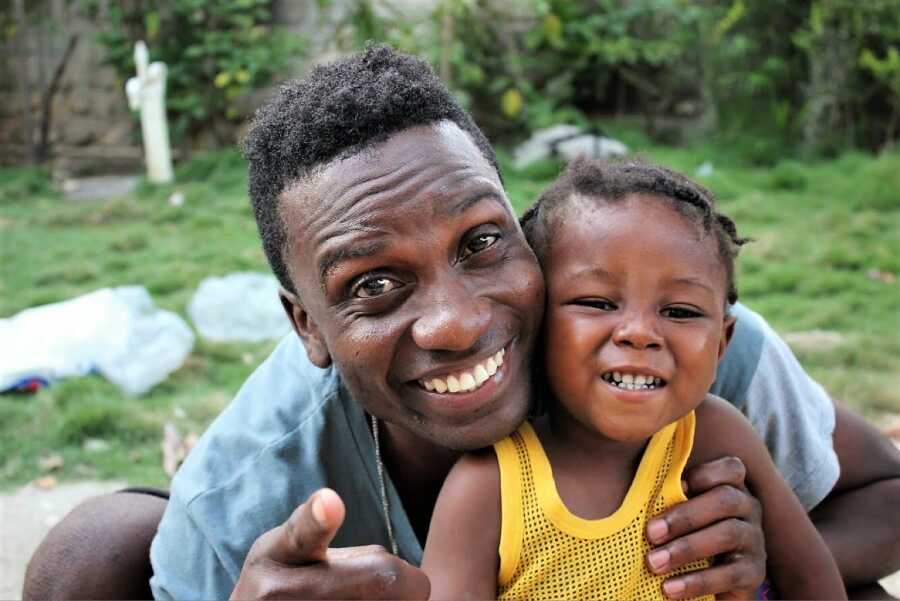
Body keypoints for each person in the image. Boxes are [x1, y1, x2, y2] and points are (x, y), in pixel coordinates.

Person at [22, 45, 900, 601]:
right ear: (307, 325)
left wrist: (766, 557)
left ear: (528, 232)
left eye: (482, 241)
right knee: (88, 555)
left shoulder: (674, 353)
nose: (454, 320)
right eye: (372, 285)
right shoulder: (254, 484)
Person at [421, 158, 846, 600]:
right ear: (536, 321)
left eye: (680, 311)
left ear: (722, 342)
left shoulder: (715, 437)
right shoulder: (490, 486)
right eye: (596, 302)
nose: (640, 333)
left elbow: (813, 582)